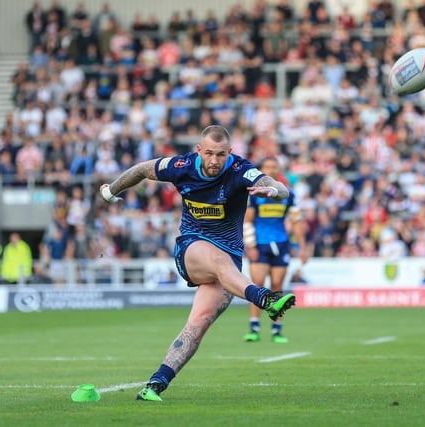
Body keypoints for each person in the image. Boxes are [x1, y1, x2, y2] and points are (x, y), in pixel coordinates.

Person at [99, 125, 296, 402]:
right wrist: (111, 191)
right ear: (199, 150)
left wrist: (273, 192)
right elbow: (142, 169)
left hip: (228, 265)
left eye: (221, 154)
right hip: (192, 249)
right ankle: (263, 298)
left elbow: (278, 187)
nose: (215, 160)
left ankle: (156, 384)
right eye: (210, 154)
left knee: (199, 324)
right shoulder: (181, 166)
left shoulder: (240, 170)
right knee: (218, 259)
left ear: (230, 152)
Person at [242, 157, 308, 344]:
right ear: (261, 170)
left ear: (279, 170)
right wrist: (251, 245)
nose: (271, 170)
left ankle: (276, 330)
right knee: (258, 286)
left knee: (277, 286)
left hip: (281, 244)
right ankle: (254, 328)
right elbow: (248, 221)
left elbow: (296, 222)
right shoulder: (254, 195)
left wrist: (303, 248)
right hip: (260, 244)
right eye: (267, 167)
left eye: (274, 167)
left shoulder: (289, 195)